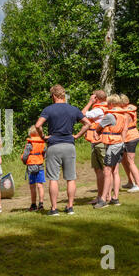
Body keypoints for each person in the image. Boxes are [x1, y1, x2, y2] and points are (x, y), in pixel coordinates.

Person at [35, 84, 91, 216]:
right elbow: (88, 124)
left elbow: (38, 125)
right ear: (63, 95)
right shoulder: (73, 109)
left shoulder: (49, 109)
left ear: (54, 96)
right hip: (69, 146)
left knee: (53, 178)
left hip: (54, 145)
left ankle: (54, 209)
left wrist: (43, 136)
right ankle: (70, 207)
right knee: (71, 178)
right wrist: (77, 135)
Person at [93, 94, 129, 209]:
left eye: (108, 103)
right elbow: (124, 130)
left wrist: (96, 132)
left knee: (107, 171)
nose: (107, 105)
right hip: (119, 143)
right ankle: (115, 198)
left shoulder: (110, 116)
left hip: (112, 145)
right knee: (115, 171)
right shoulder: (123, 115)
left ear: (112, 104)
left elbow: (99, 127)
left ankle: (103, 199)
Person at [81, 90, 110, 204]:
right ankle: (100, 196)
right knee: (99, 170)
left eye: (92, 97)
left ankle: (106, 196)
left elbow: (82, 114)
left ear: (96, 98)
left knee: (105, 170)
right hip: (97, 142)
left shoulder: (98, 110)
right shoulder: (105, 107)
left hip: (100, 142)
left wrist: (89, 102)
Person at [120, 94, 139, 193]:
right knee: (124, 161)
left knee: (130, 161)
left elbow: (125, 128)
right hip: (127, 137)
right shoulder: (126, 109)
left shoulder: (127, 113)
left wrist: (121, 140)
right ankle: (130, 182)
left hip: (130, 137)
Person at [21, 125, 46, 212]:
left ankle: (33, 204)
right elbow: (44, 154)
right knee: (40, 185)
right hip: (40, 164)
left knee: (32, 186)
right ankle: (41, 204)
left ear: (31, 134)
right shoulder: (42, 142)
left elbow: (25, 156)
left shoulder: (30, 143)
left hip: (31, 166)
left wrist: (24, 161)